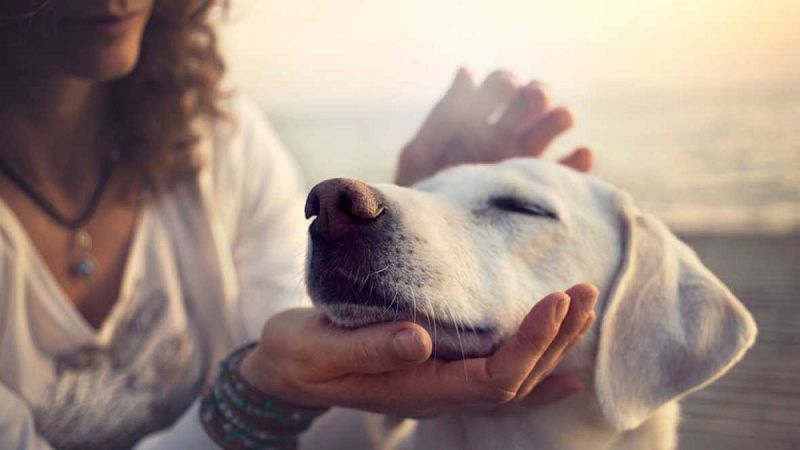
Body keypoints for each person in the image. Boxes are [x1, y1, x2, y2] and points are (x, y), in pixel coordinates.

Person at [0, 1, 598, 448]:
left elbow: (324, 429)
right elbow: (286, 386)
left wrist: (426, 231)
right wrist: (257, 391)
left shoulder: (216, 139)